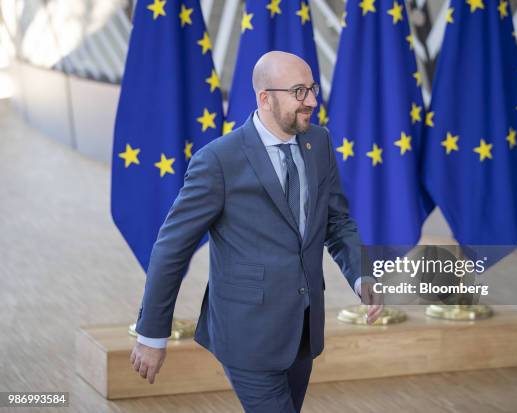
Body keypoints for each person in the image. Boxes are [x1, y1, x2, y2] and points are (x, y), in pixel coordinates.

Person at [130, 51, 383, 412]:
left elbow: (336, 220)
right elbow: (172, 249)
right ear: (265, 98)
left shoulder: (319, 143)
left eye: (312, 89)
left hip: (303, 330)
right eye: (299, 91)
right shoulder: (218, 161)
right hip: (246, 333)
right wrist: (152, 335)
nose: (311, 100)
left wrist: (362, 275)